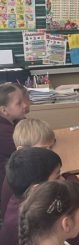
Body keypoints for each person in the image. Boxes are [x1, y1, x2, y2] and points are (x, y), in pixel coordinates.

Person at [0, 118, 56, 217]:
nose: (50, 153)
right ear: (22, 150)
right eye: (43, 149)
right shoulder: (26, 176)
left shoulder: (29, 166)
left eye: (51, 147)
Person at [0, 83, 28, 211]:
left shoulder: (14, 122)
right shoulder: (4, 132)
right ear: (4, 110)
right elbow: (34, 147)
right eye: (19, 103)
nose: (25, 105)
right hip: (8, 188)